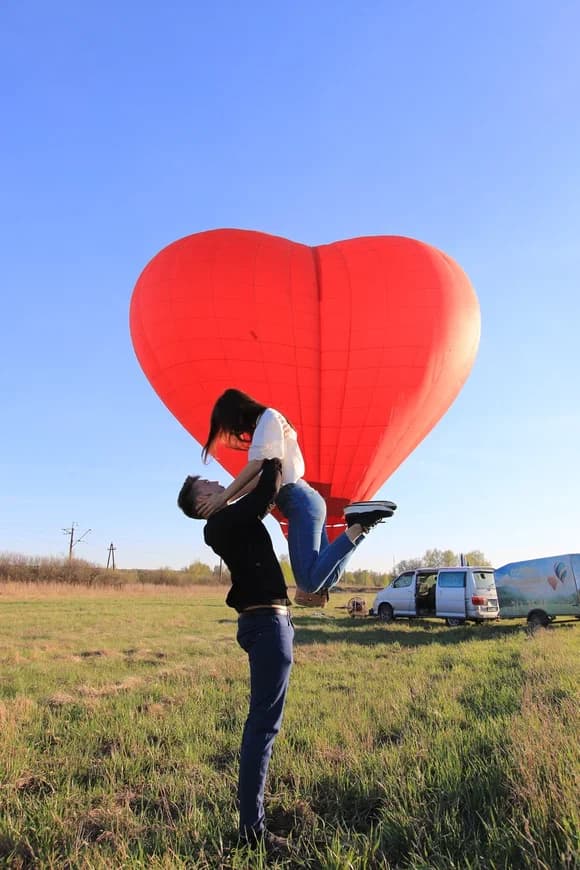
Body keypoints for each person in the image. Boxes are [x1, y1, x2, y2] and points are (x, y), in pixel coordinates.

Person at [178, 457, 292, 855]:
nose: (219, 482)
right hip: (264, 624)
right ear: (203, 500)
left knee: (265, 724)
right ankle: (251, 830)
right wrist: (271, 454)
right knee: (262, 727)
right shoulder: (219, 523)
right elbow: (266, 491)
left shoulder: (227, 520)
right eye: (210, 483)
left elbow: (256, 495)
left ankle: (252, 820)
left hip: (268, 622)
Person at [197, 388, 396, 606]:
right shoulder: (267, 426)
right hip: (307, 500)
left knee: (309, 584)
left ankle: (358, 525)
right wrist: (227, 499)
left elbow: (256, 467)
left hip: (299, 501)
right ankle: (362, 526)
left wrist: (223, 497)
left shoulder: (268, 418)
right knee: (325, 579)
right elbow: (259, 477)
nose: (236, 432)